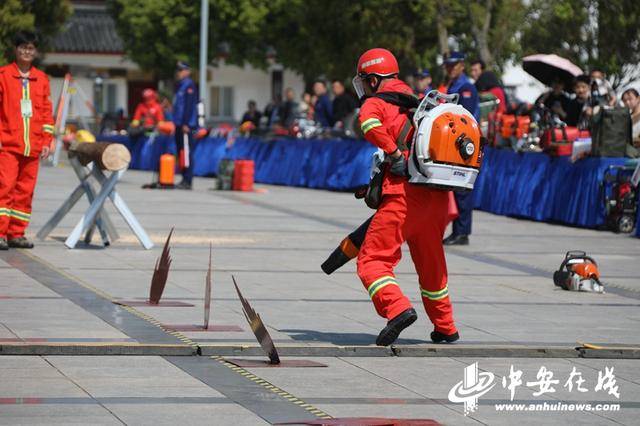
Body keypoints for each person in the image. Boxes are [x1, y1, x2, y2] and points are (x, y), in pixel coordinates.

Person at [353, 48, 459, 345]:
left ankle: (397, 308)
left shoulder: (376, 102)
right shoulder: (418, 100)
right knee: (432, 267)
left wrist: (392, 151)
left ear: (374, 80)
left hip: (403, 196)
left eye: (365, 81)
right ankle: (446, 326)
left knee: (372, 261)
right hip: (437, 197)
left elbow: (368, 124)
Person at [0, 31, 55, 250]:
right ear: (16, 49)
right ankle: (1, 233)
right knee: (4, 188)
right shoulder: (3, 75)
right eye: (23, 47)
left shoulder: (41, 79)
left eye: (30, 48)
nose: (26, 51)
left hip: (32, 146)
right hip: (8, 145)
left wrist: (46, 140)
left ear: (36, 52)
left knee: (25, 192)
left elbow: (46, 113)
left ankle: (16, 233)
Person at [441, 51, 479, 246]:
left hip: (465, 145)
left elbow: (465, 117)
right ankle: (457, 231)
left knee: (462, 189)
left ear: (461, 66)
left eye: (453, 65)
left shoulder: (466, 88)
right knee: (454, 189)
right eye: (447, 65)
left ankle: (462, 233)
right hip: (453, 143)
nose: (450, 69)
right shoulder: (452, 86)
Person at [172, 61, 198, 189]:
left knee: (187, 152)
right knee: (181, 152)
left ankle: (188, 180)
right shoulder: (180, 86)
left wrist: (186, 123)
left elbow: (189, 107)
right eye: (178, 70)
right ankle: (184, 178)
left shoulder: (189, 86)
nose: (179, 73)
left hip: (186, 125)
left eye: (181, 70)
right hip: (178, 124)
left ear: (188, 71)